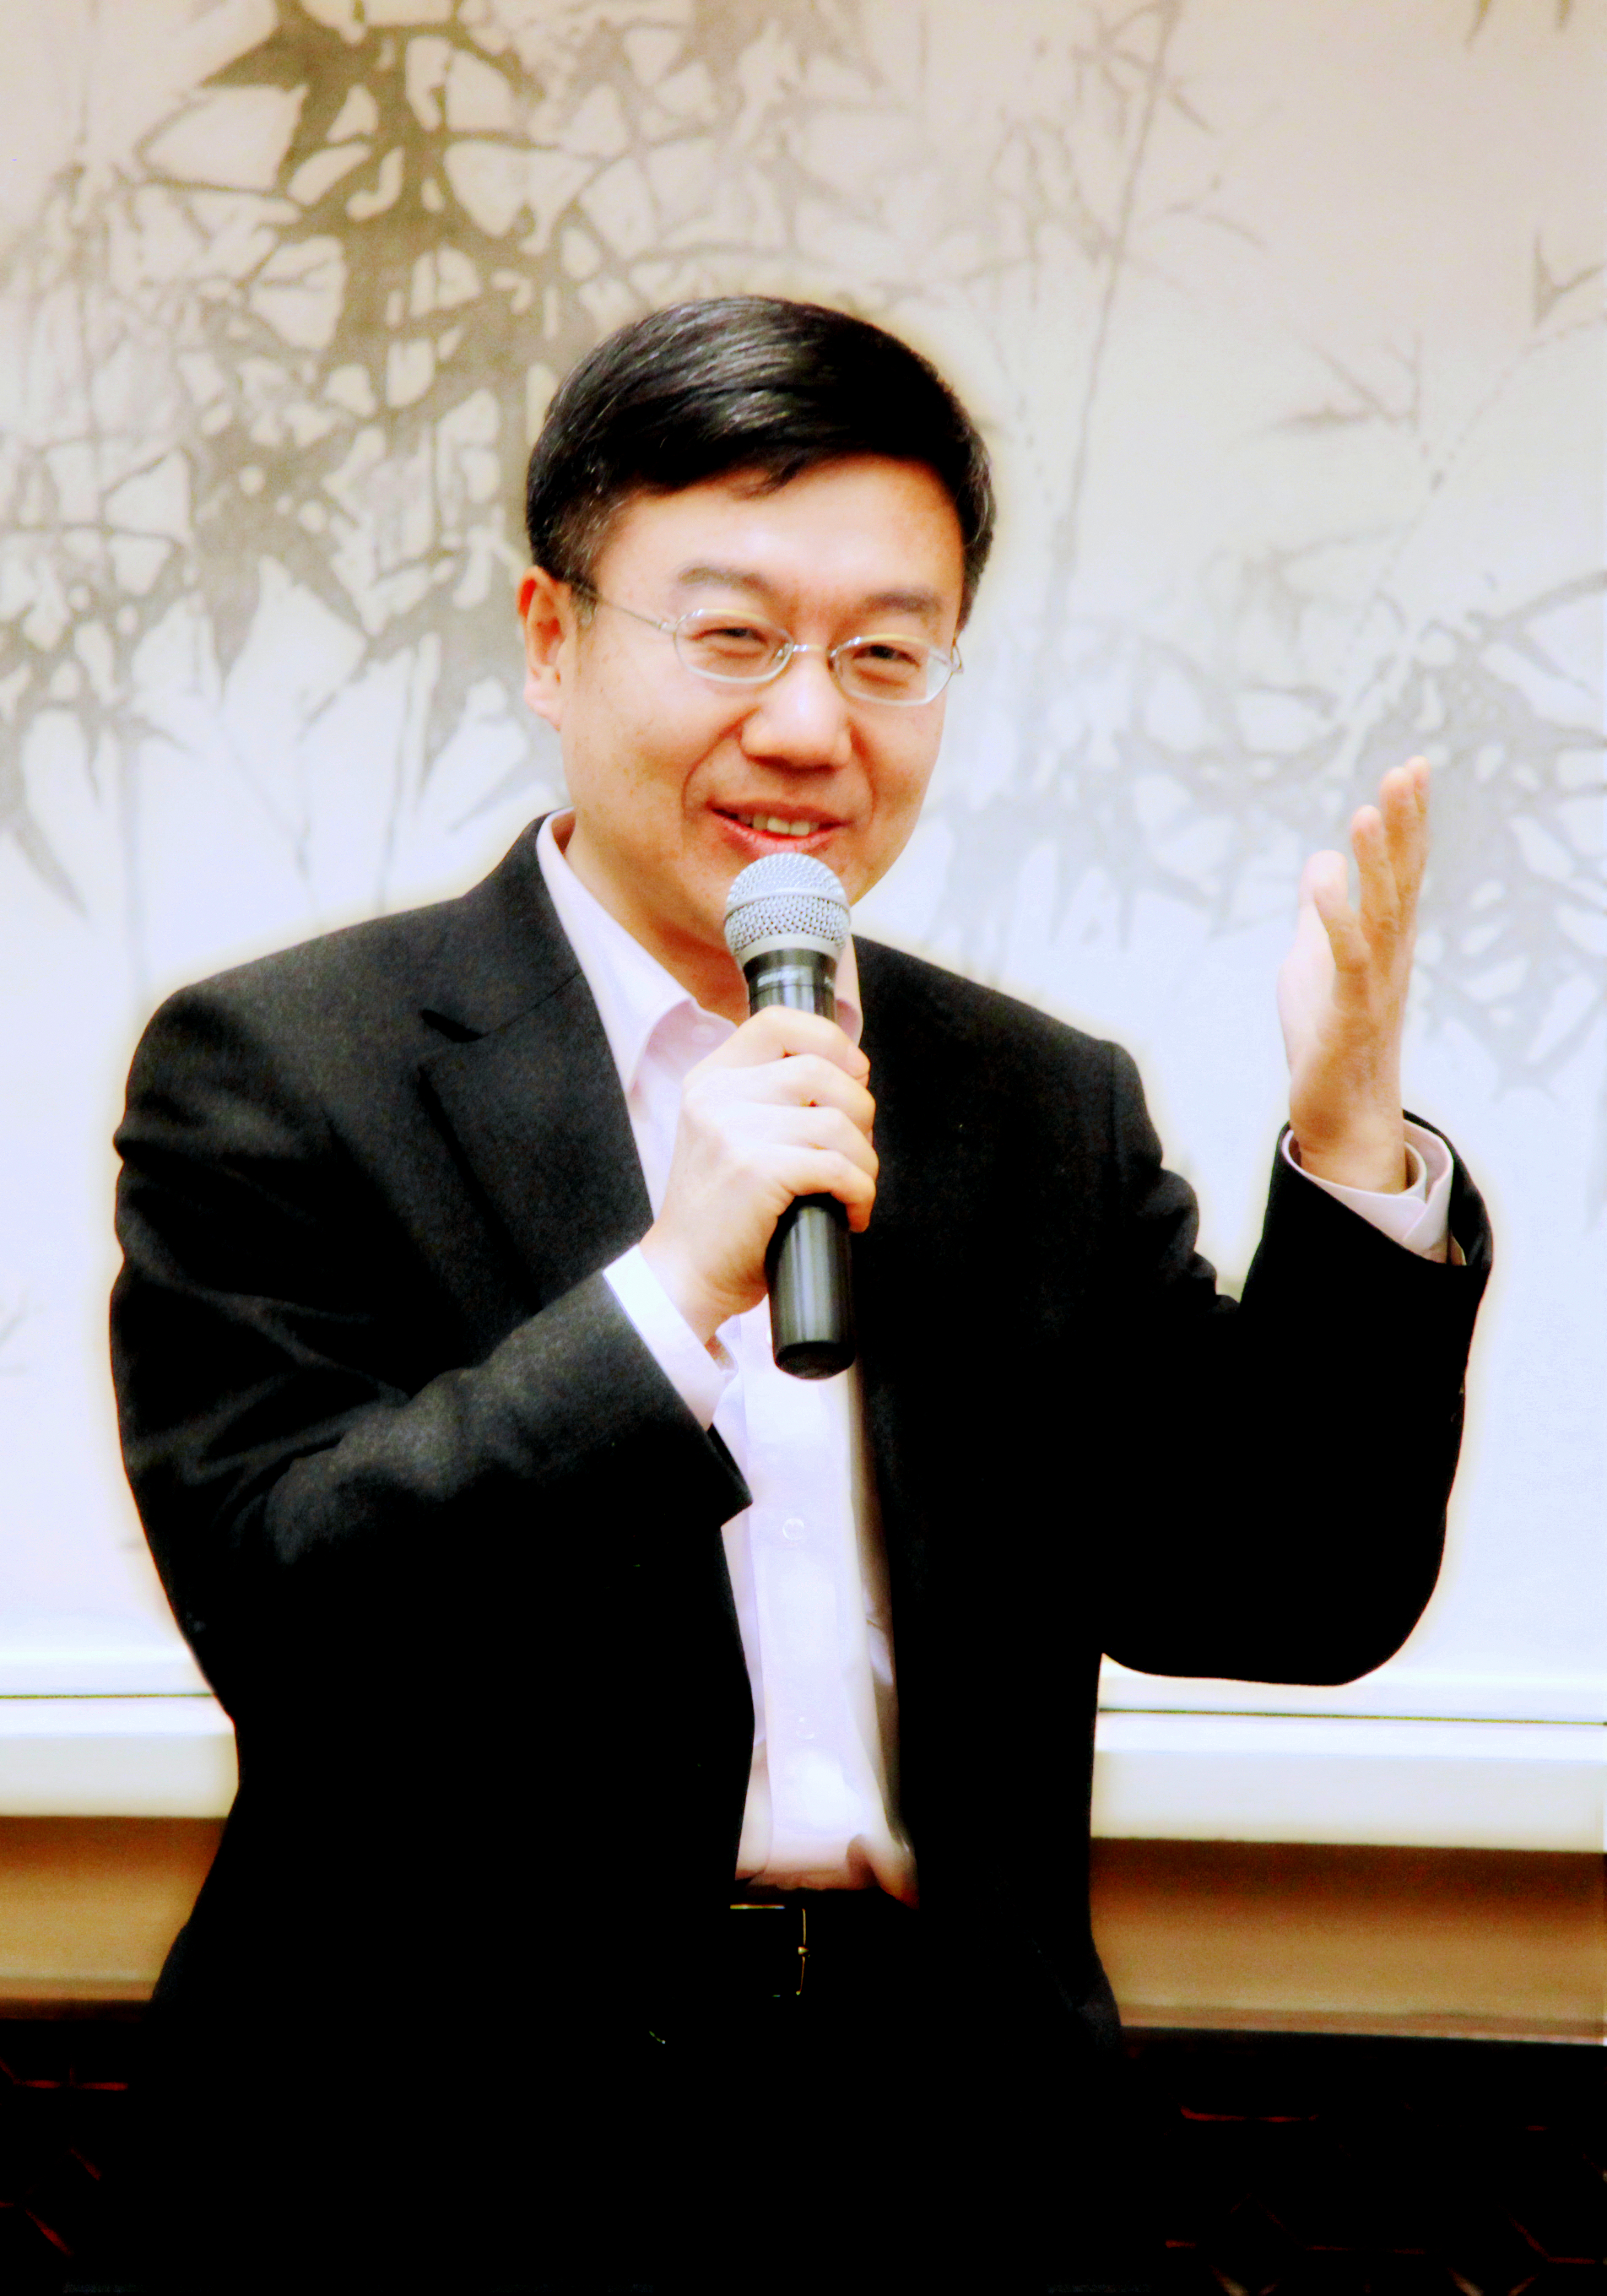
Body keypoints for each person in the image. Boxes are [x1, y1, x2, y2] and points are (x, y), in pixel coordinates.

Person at [111, 297, 1490, 2294]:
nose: (807, 727)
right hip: (430, 2168)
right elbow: (291, 1621)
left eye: (883, 654)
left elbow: (1287, 1584)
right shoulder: (287, 1069)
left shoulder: (1031, 1099)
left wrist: (1351, 1148)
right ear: (550, 637)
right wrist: (667, 1294)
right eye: (734, 637)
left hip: (945, 2166)